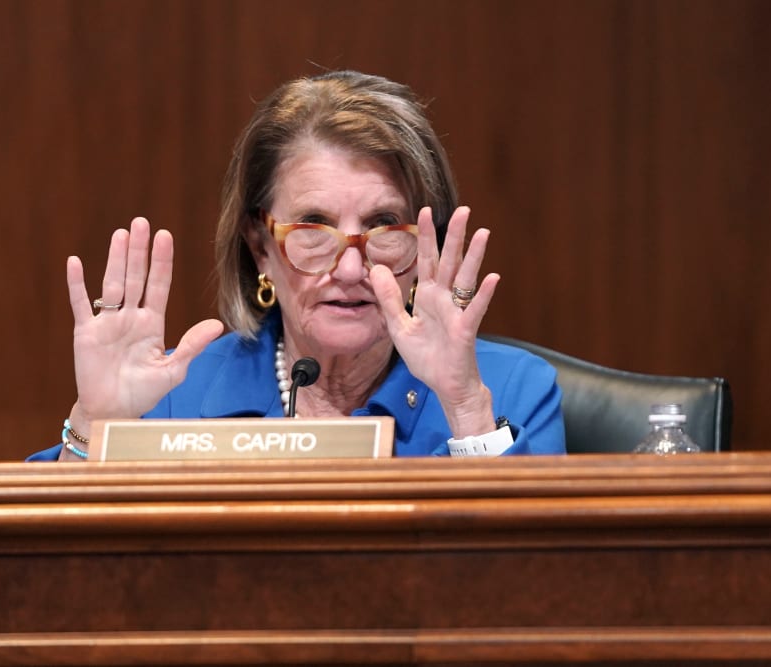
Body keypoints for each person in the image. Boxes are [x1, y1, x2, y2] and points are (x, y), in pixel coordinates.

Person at [28, 70, 565, 462]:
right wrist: (95, 426)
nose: (351, 268)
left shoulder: (509, 390)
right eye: (312, 228)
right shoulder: (171, 398)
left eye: (383, 225)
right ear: (260, 246)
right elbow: (44, 588)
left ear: (426, 248)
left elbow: (544, 591)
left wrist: (465, 410)